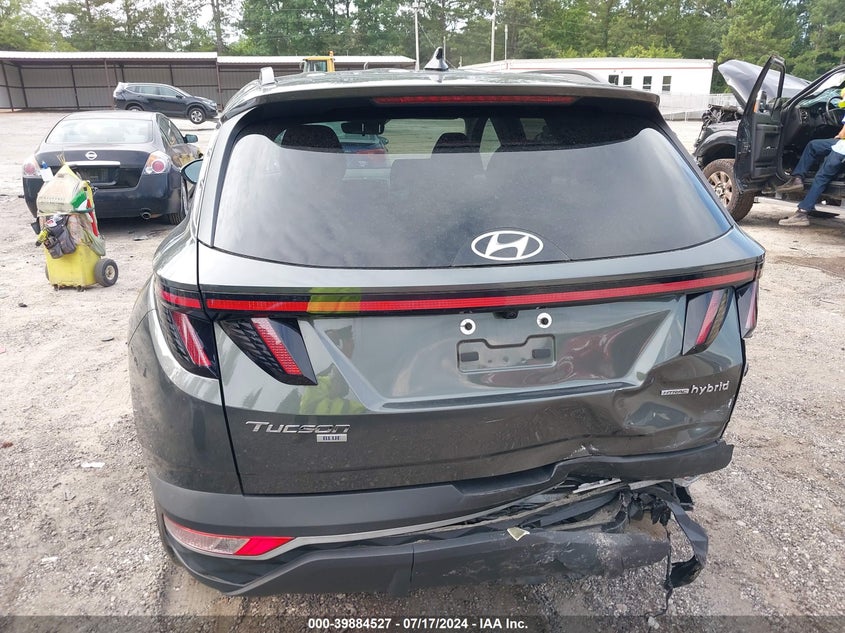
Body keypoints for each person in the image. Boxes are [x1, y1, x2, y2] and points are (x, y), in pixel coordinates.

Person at [776, 94, 845, 227]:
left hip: (842, 148)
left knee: (822, 177)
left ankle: (802, 213)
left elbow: (844, 133)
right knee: (813, 145)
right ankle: (797, 178)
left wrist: (839, 135)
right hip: (841, 143)